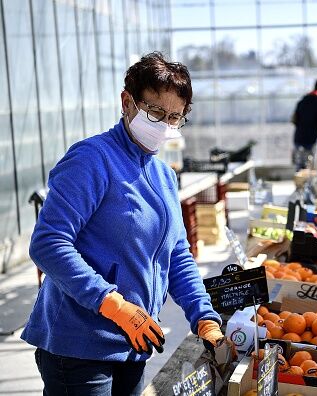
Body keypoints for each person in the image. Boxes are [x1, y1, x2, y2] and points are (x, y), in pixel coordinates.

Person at [22, 52, 235, 395]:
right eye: (154, 112)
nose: (163, 125)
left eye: (174, 117)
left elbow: (177, 254)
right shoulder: (91, 159)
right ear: (127, 102)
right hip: (79, 346)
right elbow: (48, 243)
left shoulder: (164, 176)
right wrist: (114, 304)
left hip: (136, 340)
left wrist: (205, 318)